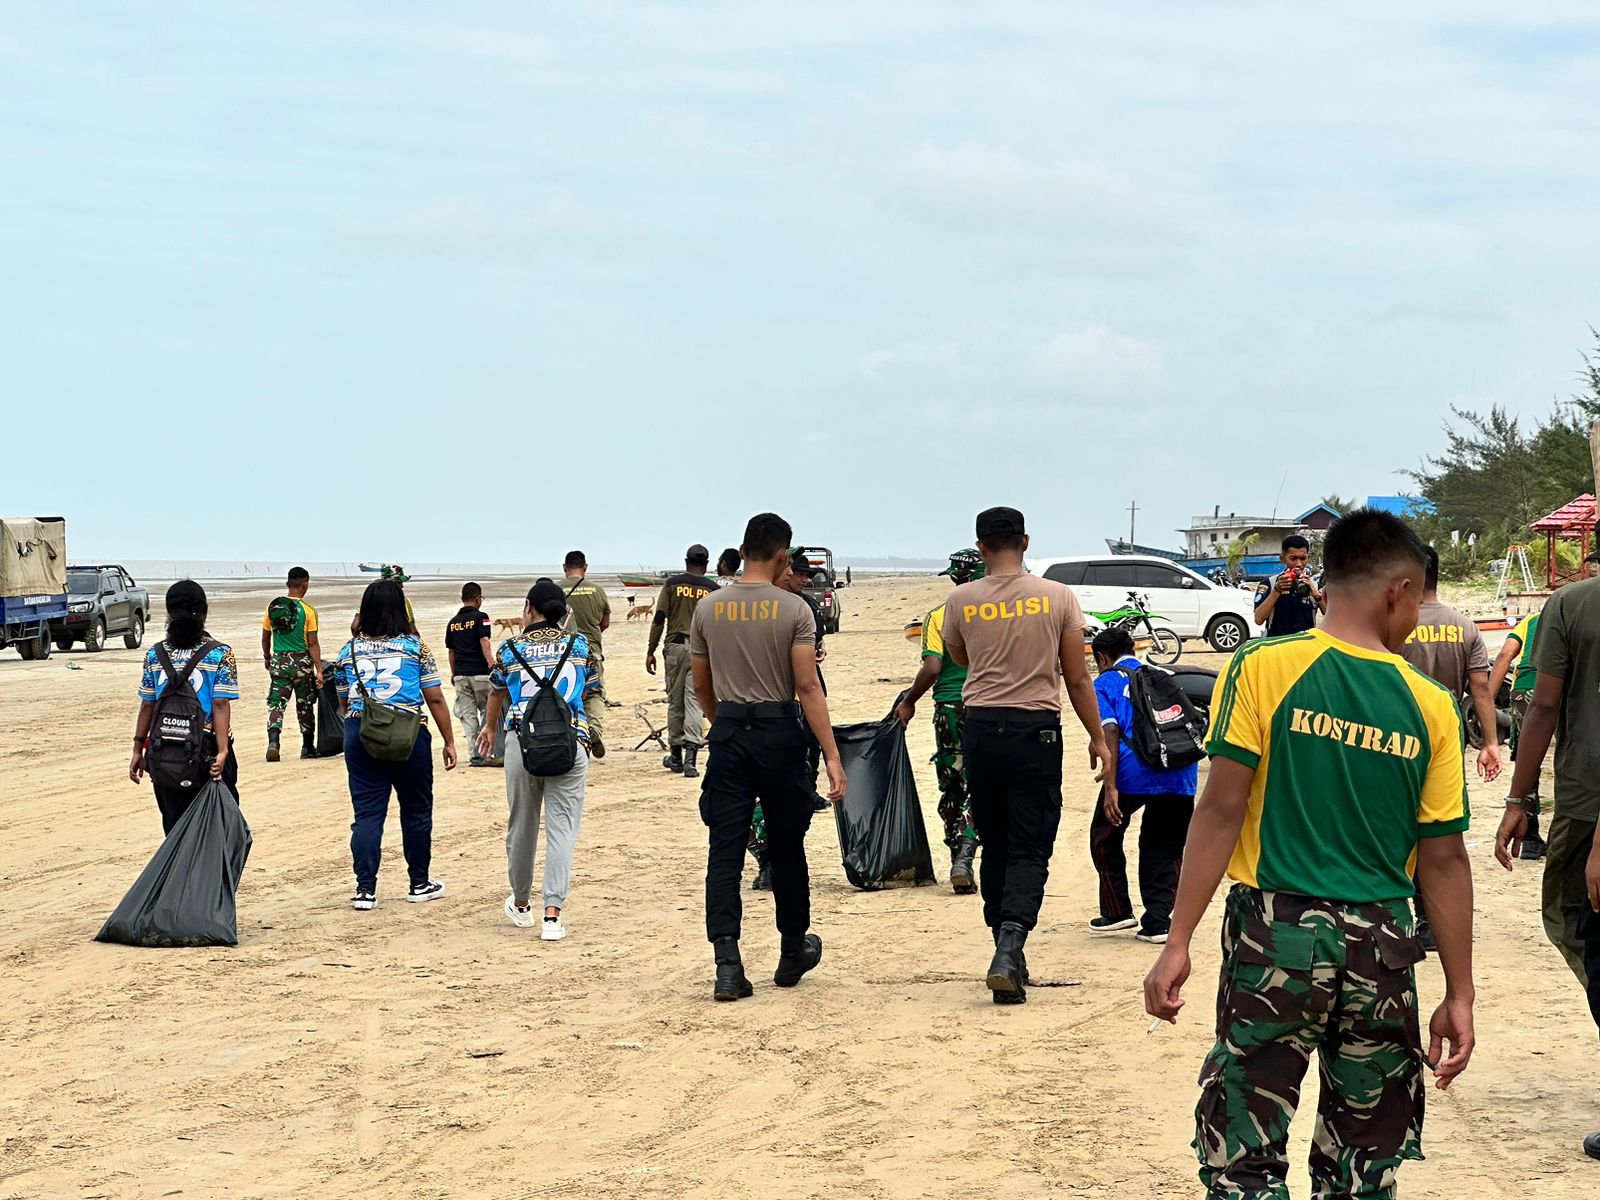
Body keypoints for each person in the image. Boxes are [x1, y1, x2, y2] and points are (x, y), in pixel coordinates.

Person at [1144, 508, 1476, 1198]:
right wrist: (1459, 992)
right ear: (1400, 589)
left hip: (1276, 936)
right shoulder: (1430, 704)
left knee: (1244, 1148)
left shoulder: (1265, 666)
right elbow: (1444, 860)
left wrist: (1178, 938)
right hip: (1383, 948)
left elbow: (1221, 809)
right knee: (1363, 1160)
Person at [940, 506, 1113, 1004]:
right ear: (1026, 541)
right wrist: (1098, 737)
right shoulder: (1057, 597)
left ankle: (1004, 951)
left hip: (980, 732)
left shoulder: (961, 599)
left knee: (995, 842)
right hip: (1034, 729)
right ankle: (1012, 944)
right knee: (1030, 844)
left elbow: (960, 658)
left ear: (980, 549)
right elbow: (1077, 676)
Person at [690, 512, 846, 1001]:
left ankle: (727, 964)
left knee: (725, 851)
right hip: (780, 732)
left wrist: (725, 724)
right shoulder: (795, 609)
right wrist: (832, 756)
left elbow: (702, 685)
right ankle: (791, 949)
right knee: (787, 846)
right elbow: (806, 686)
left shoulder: (708, 608)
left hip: (731, 731)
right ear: (782, 554)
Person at [1494, 560, 1600, 1164]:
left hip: (1586, 804)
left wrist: (1519, 797)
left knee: (1572, 919)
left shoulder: (1570, 605)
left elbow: (1544, 706)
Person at [478, 579, 600, 942]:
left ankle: (520, 903)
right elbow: (591, 688)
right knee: (562, 828)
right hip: (570, 741)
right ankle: (553, 915)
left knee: (522, 824)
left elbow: (497, 690)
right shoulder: (578, 644)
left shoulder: (511, 648)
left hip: (522, 743)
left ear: (530, 608)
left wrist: (488, 728)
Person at [1398, 546, 1503, 950]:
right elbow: (1480, 687)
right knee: (1438, 830)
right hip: (1447, 740)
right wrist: (1490, 742)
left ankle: (1403, 911)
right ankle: (1431, 921)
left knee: (1397, 825)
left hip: (1398, 737)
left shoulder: (1396, 624)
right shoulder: (1465, 626)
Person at [335, 580, 458, 910]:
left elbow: (343, 701)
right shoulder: (416, 648)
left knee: (367, 814)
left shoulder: (349, 650)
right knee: (416, 811)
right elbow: (434, 696)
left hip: (361, 734)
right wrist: (448, 740)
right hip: (409, 734)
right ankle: (418, 882)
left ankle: (365, 889)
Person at [1086, 626, 1198, 944]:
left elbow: (1108, 731)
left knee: (1104, 836)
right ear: (1133, 649)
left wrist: (1110, 787)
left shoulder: (1105, 682)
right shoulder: (1162, 674)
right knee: (1163, 846)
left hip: (1132, 772)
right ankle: (1158, 923)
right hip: (1180, 769)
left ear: (1102, 657)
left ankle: (1117, 911)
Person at [894, 548, 986, 895]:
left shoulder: (939, 615)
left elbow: (932, 668)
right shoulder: (995, 612)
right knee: (981, 782)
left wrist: (909, 699)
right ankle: (968, 848)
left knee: (952, 784)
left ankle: (956, 858)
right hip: (989, 706)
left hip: (949, 708)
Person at [129, 581, 240, 834]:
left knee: (174, 829)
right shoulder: (220, 654)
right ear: (205, 611)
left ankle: (179, 873)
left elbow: (148, 705)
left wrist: (138, 749)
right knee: (219, 828)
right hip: (207, 747)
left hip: (163, 749)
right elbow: (220, 704)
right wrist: (222, 752)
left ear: (169, 612)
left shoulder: (155, 655)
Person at [647, 544, 717, 778]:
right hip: (703, 650)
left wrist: (651, 649)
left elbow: (659, 619)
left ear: (686, 562)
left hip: (676, 647)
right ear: (706, 565)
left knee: (675, 702)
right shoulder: (712, 589)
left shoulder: (672, 584)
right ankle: (691, 759)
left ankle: (676, 755)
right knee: (695, 702)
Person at [1488, 608, 1545, 859]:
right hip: (1561, 685)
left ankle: (1530, 837)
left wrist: (1486, 701)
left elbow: (1504, 656)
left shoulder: (1531, 619)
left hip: (1523, 693)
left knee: (1527, 761)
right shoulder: (1573, 614)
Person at [261, 567, 322, 763]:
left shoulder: (273, 608)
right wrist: (319, 669)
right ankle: (307, 746)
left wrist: (267, 657)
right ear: (305, 585)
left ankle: (273, 743)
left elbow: (265, 637)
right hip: (302, 663)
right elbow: (312, 643)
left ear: (287, 584)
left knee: (276, 703)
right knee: (304, 705)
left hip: (279, 661)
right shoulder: (309, 611)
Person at [561, 551, 611, 757]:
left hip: (564, 654)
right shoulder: (597, 591)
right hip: (591, 651)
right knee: (595, 694)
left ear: (565, 568)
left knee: (565, 695)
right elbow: (604, 623)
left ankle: (570, 735)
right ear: (585, 567)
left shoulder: (556, 590)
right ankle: (594, 730)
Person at [445, 582, 496, 767]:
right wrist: (492, 663)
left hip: (460, 675)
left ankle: (474, 754)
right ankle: (485, 753)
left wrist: (453, 673)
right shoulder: (482, 618)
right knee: (486, 711)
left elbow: (451, 652)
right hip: (480, 673)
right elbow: (485, 641)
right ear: (477, 599)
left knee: (468, 716)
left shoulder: (452, 623)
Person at [1253, 534, 1325, 637]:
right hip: (1278, 646)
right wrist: (1276, 591)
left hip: (1305, 647)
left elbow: (1330, 617)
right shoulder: (1269, 584)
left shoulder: (1314, 585)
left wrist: (1317, 595)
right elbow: (1258, 620)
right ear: (1282, 559)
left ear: (1309, 558)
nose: (1298, 564)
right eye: (1293, 558)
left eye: (1303, 558)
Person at [350, 564, 418, 635]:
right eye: (399, 582)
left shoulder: (372, 597)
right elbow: (412, 630)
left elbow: (354, 627)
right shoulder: (403, 601)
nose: (402, 586)